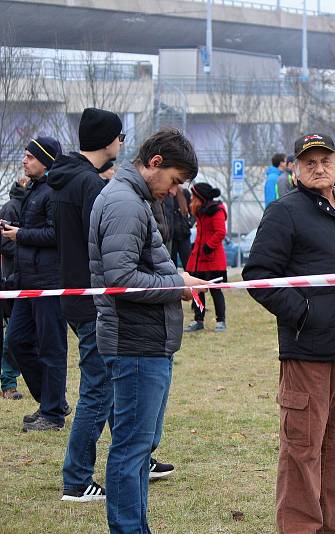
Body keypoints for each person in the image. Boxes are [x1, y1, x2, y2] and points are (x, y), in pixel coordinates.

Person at [242, 133, 335, 534]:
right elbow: (258, 277)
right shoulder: (284, 212)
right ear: (295, 167)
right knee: (302, 449)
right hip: (308, 351)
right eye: (309, 162)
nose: (319, 167)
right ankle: (301, 528)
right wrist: (304, 315)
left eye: (325, 159)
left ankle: (334, 526)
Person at [89, 129, 206, 533]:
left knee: (139, 448)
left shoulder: (132, 198)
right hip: (134, 344)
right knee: (131, 449)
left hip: (147, 342)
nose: (174, 192)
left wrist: (177, 274)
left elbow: (142, 265)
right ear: (155, 162)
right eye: (174, 181)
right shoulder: (125, 203)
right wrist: (178, 286)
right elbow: (122, 278)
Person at [48, 107, 123, 502]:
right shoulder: (90, 186)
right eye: (119, 136)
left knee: (108, 383)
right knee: (98, 388)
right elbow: (104, 248)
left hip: (74, 296)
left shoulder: (65, 180)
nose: (122, 143)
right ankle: (77, 480)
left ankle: (136, 457)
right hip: (92, 300)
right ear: (108, 140)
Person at [4, 136, 68, 432]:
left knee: (51, 348)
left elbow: (56, 236)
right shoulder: (33, 190)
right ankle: (50, 402)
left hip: (50, 283)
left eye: (29, 156)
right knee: (16, 342)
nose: (24, 160)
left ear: (45, 160)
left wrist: (20, 235)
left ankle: (52, 414)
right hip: (27, 282)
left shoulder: (54, 192)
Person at [184, 183, 228, 333]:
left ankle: (221, 320)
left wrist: (208, 246)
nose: (191, 199)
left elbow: (220, 232)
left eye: (194, 196)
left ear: (200, 197)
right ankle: (198, 319)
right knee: (197, 290)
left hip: (213, 259)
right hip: (198, 259)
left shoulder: (216, 211)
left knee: (216, 291)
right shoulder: (200, 211)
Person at [0, 175, 28, 400]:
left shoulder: (34, 204)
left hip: (28, 280)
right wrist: (28, 246)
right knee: (11, 335)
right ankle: (8, 383)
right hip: (10, 280)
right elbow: (4, 244)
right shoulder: (11, 208)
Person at [168, 186, 194, 270]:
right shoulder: (165, 193)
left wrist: (189, 223)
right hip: (171, 236)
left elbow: (193, 211)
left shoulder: (184, 192)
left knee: (189, 265)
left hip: (184, 234)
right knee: (171, 266)